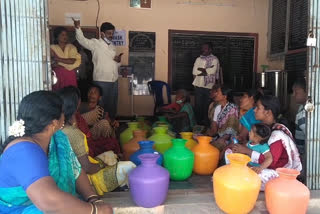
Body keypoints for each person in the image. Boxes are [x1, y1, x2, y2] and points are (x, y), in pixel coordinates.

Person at [0, 91, 112, 213]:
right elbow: (48, 201)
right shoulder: (23, 150)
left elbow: (76, 171)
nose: (65, 116)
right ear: (54, 123)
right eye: (62, 112)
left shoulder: (58, 139)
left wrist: (92, 198)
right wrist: (94, 211)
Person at [57, 87, 136, 195]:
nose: (91, 95)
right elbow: (86, 167)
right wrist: (103, 166)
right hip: (86, 181)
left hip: (73, 172)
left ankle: (117, 184)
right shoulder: (74, 133)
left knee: (110, 155)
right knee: (130, 166)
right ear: (77, 104)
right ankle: (115, 187)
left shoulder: (57, 128)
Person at [232, 95, 302, 190]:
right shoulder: (264, 128)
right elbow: (258, 146)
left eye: (258, 107)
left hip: (278, 172)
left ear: (267, 112)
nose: (254, 110)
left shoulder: (277, 134)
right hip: (263, 166)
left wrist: (247, 151)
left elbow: (272, 162)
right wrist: (244, 143)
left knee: (246, 175)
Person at [73, 19, 122, 120]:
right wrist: (78, 28)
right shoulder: (95, 43)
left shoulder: (112, 46)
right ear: (102, 34)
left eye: (112, 33)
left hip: (114, 80)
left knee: (112, 106)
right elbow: (82, 40)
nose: (111, 35)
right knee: (101, 106)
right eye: (109, 33)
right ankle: (100, 129)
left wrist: (118, 61)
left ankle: (111, 128)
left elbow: (112, 62)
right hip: (101, 80)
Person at [77, 85, 121, 157]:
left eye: (95, 92)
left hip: (94, 135)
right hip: (82, 136)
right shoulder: (80, 107)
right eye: (90, 92)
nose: (92, 94)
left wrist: (114, 124)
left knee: (105, 124)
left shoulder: (101, 111)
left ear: (99, 97)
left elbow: (109, 122)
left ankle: (107, 151)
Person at [193, 42, 220, 126]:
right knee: (198, 106)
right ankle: (198, 125)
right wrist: (206, 71)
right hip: (198, 86)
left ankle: (207, 126)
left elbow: (213, 71)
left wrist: (202, 71)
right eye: (202, 48)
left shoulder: (215, 59)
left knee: (207, 107)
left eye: (205, 48)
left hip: (210, 87)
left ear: (210, 50)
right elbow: (194, 71)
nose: (203, 50)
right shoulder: (198, 59)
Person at [207, 84, 239, 152]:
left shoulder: (232, 108)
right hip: (219, 136)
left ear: (224, 96)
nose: (215, 94)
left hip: (229, 139)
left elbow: (231, 130)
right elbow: (214, 127)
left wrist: (221, 139)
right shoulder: (218, 107)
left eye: (218, 92)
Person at [292, 79, 307, 155]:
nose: (293, 95)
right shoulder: (301, 107)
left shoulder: (304, 115)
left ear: (307, 92)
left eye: (296, 92)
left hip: (306, 154)